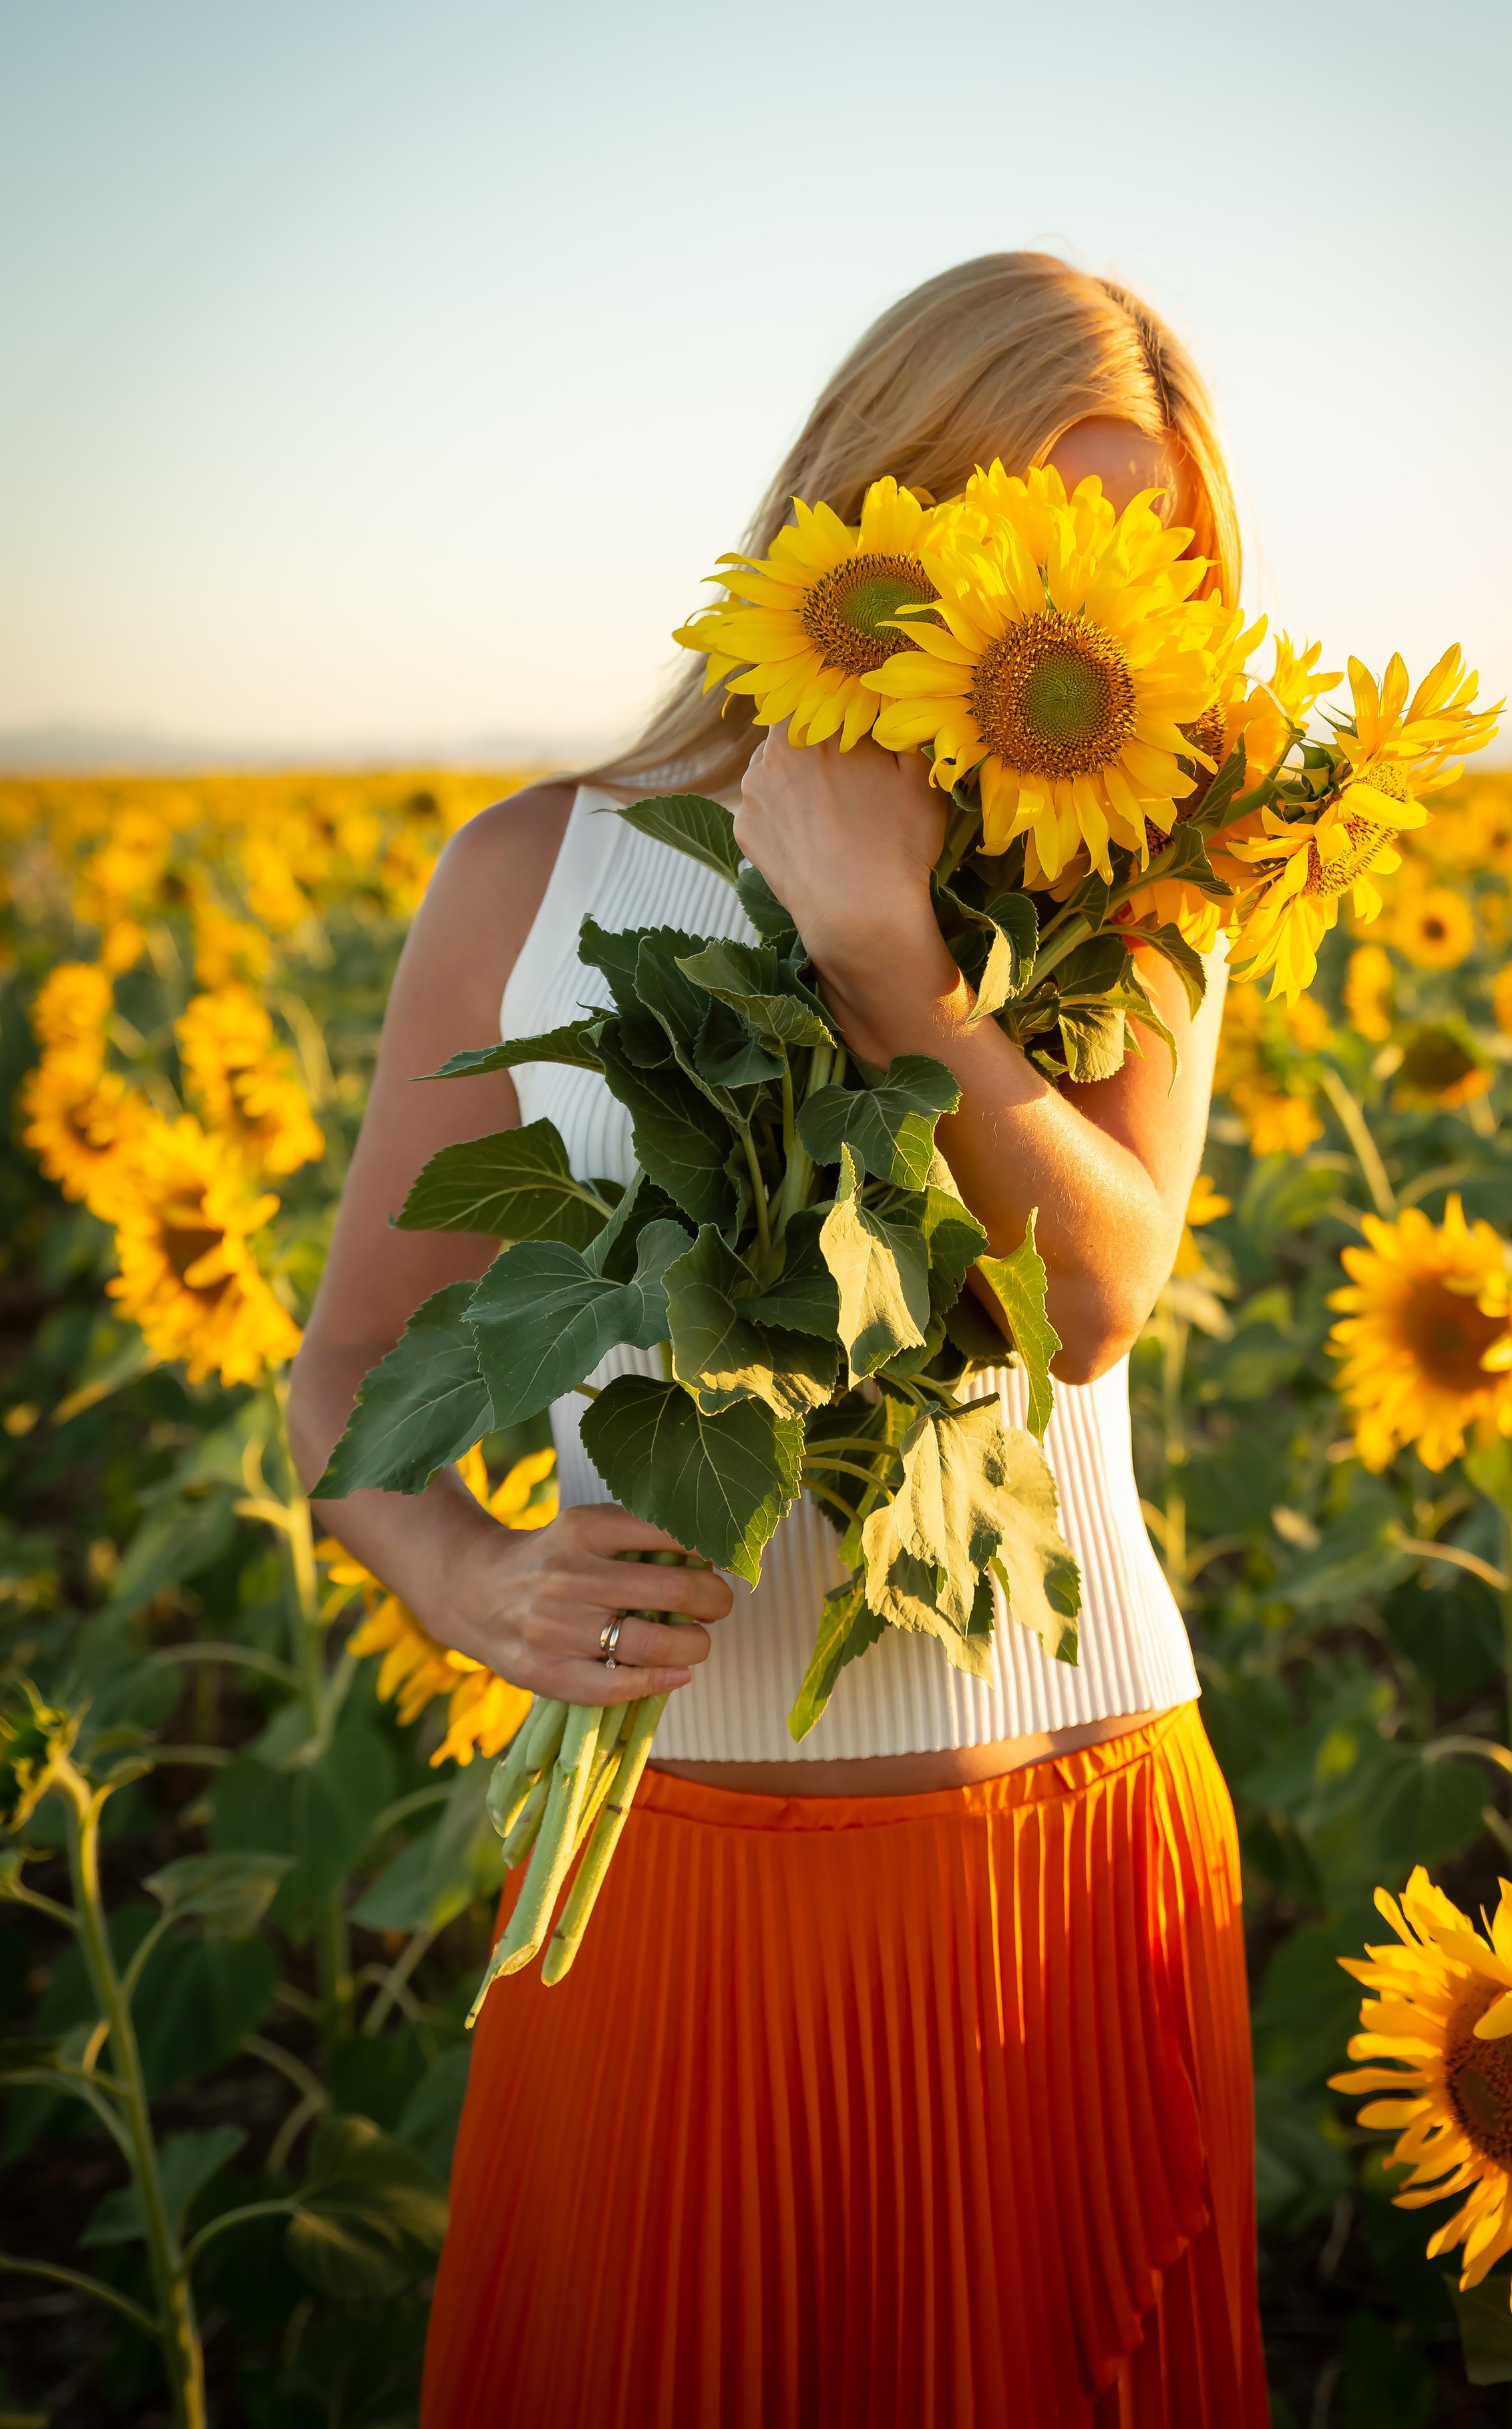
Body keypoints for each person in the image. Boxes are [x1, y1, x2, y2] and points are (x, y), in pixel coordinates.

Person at [290, 250, 1269, 2429]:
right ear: (887, 505)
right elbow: (351, 1378)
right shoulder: (533, 879)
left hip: (1063, 1859)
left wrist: (890, 968)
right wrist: (465, 1577)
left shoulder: (1135, 891)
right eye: (1045, 541)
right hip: (671, 1904)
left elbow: (1096, 1300)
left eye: (1151, 568)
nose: (1090, 623)